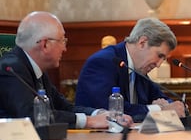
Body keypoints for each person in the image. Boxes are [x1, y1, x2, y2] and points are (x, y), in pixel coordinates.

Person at [0, 11, 133, 129]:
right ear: (45, 44)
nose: (65, 48)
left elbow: (64, 107)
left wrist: (100, 114)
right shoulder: (11, 69)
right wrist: (89, 121)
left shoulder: (36, 69)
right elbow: (32, 116)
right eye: (62, 40)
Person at [75, 17, 186, 122]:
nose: (158, 64)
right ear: (142, 42)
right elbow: (111, 111)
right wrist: (159, 109)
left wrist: (173, 106)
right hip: (96, 138)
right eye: (159, 56)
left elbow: (162, 98)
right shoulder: (103, 62)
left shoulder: (139, 68)